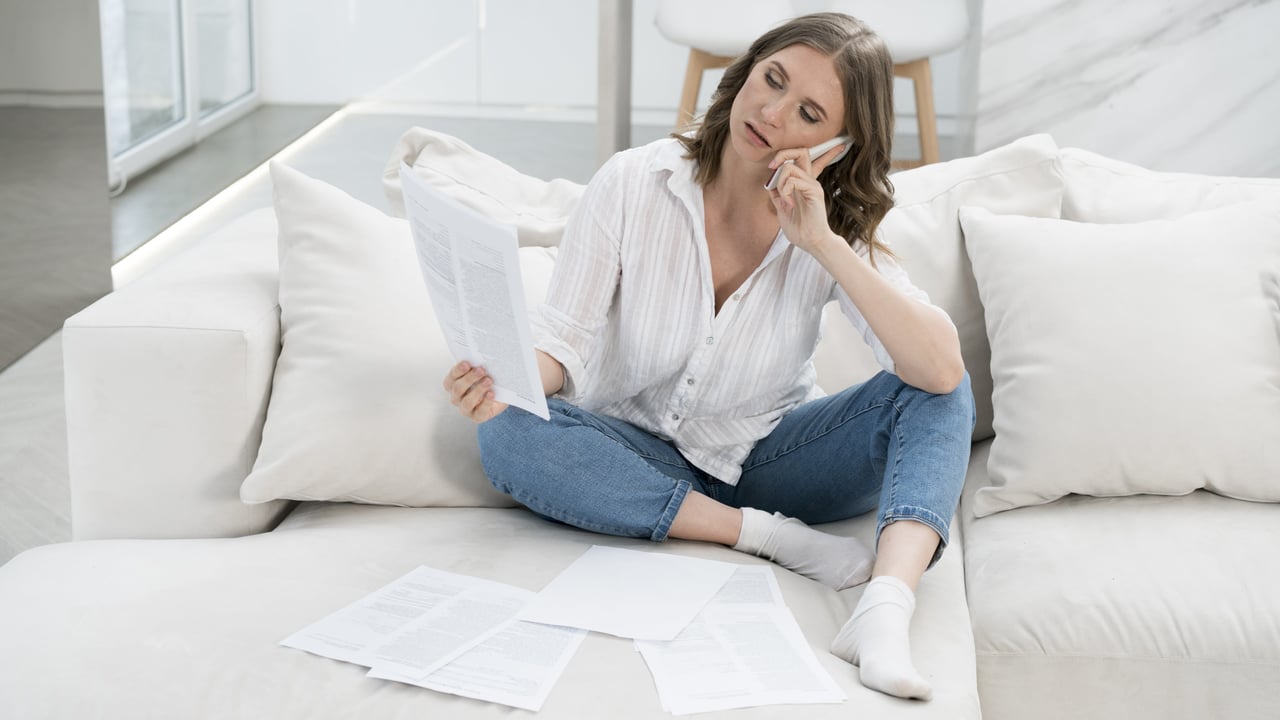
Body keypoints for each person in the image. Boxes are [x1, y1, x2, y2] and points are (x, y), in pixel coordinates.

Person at [443, 12, 974, 702]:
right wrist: (505, 382)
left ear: (838, 145)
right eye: (771, 79)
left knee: (941, 380)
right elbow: (565, 340)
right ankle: (761, 536)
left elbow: (935, 371)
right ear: (745, 71)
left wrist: (822, 243)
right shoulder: (634, 182)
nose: (772, 112)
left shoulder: (826, 226)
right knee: (508, 431)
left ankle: (883, 610)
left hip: (772, 460)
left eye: (808, 112)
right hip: (639, 454)